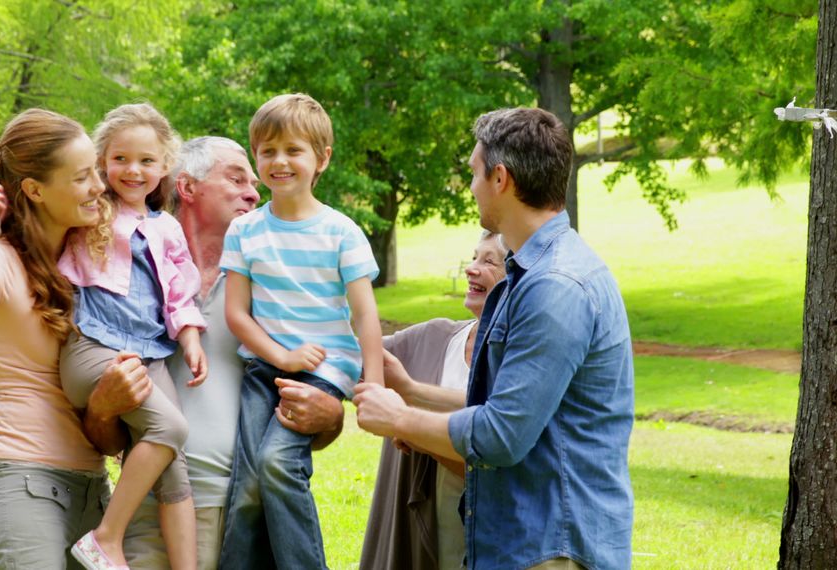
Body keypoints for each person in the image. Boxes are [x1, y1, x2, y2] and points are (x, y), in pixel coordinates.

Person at [354, 107, 634, 570]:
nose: (470, 186)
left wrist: (401, 418)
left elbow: (503, 434)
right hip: (526, 542)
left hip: (550, 547)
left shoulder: (555, 285)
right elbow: (515, 407)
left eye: (474, 173)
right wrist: (413, 391)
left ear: (500, 178)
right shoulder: (528, 274)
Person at [82, 135, 347, 570]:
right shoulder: (128, 271)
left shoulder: (274, 280)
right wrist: (101, 409)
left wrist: (331, 416)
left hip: (246, 517)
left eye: (252, 181)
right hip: (148, 512)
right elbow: (101, 431)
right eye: (236, 177)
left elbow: (321, 392)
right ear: (186, 188)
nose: (254, 190)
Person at [0, 108, 141, 569]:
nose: (100, 187)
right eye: (83, 177)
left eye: (96, 174)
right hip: (19, 475)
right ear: (35, 190)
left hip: (90, 480)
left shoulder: (85, 262)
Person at [218, 93, 383, 570]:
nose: (280, 161)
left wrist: (373, 382)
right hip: (266, 365)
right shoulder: (245, 232)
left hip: (324, 366)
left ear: (322, 159)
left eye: (294, 150)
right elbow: (237, 315)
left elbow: (365, 315)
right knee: (247, 487)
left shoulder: (341, 231)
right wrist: (280, 356)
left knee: (275, 462)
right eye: (267, 151)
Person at [56, 103, 204, 570]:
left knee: (174, 466)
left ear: (164, 168)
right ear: (102, 163)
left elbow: (179, 293)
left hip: (150, 356)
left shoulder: (167, 227)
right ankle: (106, 537)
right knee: (173, 427)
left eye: (146, 160)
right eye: (120, 159)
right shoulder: (90, 213)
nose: (133, 170)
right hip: (94, 348)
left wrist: (191, 339)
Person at [360, 230, 507, 570]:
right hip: (429, 531)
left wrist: (417, 430)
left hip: (491, 538)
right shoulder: (435, 337)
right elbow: (356, 357)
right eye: (473, 258)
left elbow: (495, 444)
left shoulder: (521, 357)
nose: (472, 268)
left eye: (488, 261)